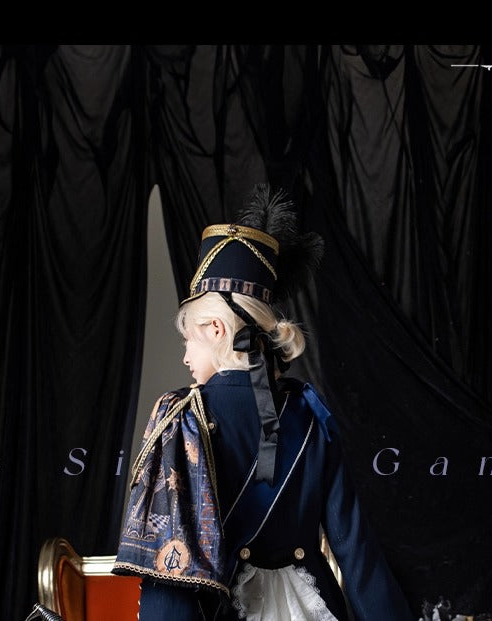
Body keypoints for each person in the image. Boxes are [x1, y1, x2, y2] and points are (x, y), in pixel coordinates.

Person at [113, 185, 413, 620]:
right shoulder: (311, 414)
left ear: (216, 329)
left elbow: (169, 564)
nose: (184, 357)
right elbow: (355, 547)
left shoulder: (181, 418)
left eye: (188, 339)